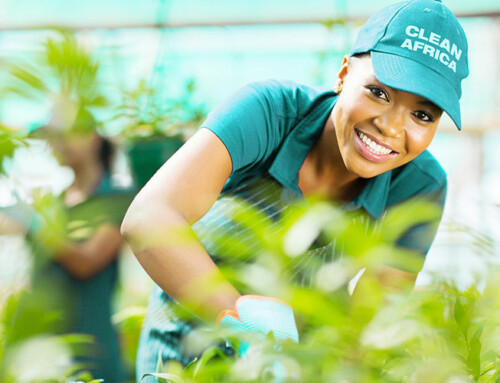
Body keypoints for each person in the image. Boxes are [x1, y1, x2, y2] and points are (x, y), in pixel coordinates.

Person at [121, 0, 469, 379]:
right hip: (182, 358)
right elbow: (148, 218)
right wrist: (242, 324)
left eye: (422, 115)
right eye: (378, 92)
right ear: (343, 73)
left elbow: (368, 322)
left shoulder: (418, 186)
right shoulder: (268, 113)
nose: (391, 127)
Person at [23, 108, 134, 382]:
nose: (57, 144)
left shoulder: (115, 199)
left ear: (93, 137)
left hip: (90, 346)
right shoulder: (54, 202)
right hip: (44, 349)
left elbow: (87, 261)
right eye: (52, 137)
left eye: (65, 135)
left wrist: (39, 223)